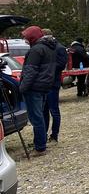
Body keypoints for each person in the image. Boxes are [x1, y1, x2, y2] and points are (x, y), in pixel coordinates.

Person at [19, 26, 57, 156]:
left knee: (36, 118)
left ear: (32, 37)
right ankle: (40, 144)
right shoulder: (48, 48)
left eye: (26, 37)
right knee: (39, 116)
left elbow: (30, 71)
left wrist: (22, 88)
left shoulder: (36, 50)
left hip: (34, 88)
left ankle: (40, 147)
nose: (25, 40)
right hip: (44, 86)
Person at [42, 29, 67, 144]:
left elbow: (61, 64)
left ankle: (54, 135)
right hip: (44, 84)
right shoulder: (44, 48)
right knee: (44, 111)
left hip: (53, 83)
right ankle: (43, 135)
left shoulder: (59, 48)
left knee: (54, 110)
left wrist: (48, 68)